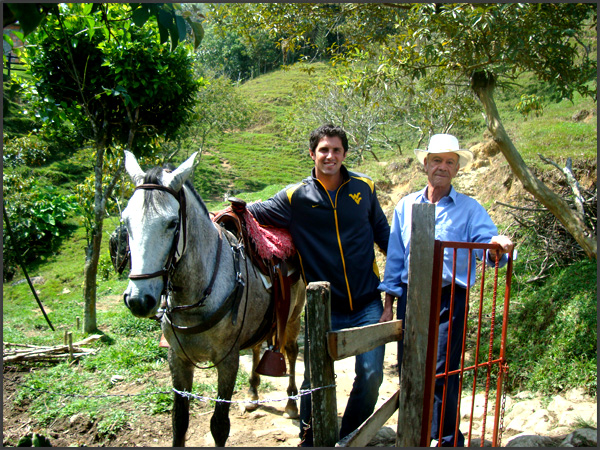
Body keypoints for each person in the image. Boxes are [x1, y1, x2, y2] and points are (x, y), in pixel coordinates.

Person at [247, 124, 390, 445]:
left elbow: (385, 237)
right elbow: (253, 212)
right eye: (323, 150)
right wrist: (222, 213)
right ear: (312, 154)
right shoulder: (295, 196)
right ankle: (310, 440)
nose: (330, 156)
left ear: (345, 154)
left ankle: (349, 436)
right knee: (315, 380)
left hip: (368, 303)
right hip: (323, 307)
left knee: (371, 376)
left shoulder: (364, 188)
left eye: (336, 150)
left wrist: (393, 292)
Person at [378, 134, 513, 447]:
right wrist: (389, 304)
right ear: (425, 164)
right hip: (411, 297)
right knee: (409, 366)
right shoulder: (406, 205)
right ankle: (414, 433)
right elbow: (396, 259)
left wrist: (496, 247)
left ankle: (445, 438)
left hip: (450, 298)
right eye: (436, 160)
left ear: (456, 169)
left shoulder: (469, 209)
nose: (442, 166)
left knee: (442, 369)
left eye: (449, 161)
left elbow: (487, 246)